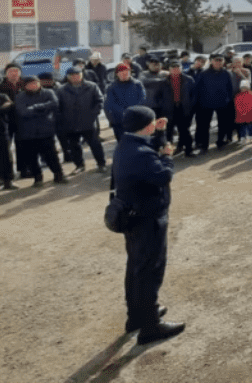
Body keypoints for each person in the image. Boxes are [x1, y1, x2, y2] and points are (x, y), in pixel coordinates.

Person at [113, 105, 184, 345]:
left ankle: (136, 316)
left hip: (133, 216)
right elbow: (163, 176)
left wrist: (161, 135)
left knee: (136, 266)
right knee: (150, 270)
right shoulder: (141, 154)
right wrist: (167, 158)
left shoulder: (127, 143)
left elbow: (151, 147)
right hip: (148, 217)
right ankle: (150, 325)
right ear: (147, 126)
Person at [14, 75, 65, 186]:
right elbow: (23, 112)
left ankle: (58, 174)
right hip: (28, 132)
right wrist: (43, 109)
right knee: (32, 157)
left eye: (35, 83)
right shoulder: (20, 97)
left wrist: (35, 107)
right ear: (25, 86)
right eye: (30, 84)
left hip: (46, 130)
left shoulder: (48, 93)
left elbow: (54, 104)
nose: (33, 86)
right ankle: (37, 178)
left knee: (51, 155)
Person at [56, 67, 107, 173]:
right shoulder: (61, 89)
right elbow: (58, 107)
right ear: (68, 77)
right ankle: (79, 165)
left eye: (78, 74)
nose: (75, 77)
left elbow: (100, 101)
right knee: (74, 146)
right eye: (72, 75)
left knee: (95, 144)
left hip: (88, 122)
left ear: (82, 75)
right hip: (70, 123)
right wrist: (63, 119)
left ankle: (101, 163)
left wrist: (93, 114)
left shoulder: (91, 86)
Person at [193, 54, 235, 152]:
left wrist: (228, 99)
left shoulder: (227, 73)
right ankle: (204, 145)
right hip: (206, 103)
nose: (218, 62)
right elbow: (197, 88)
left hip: (222, 103)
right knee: (204, 125)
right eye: (216, 60)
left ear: (223, 62)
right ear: (211, 61)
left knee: (223, 124)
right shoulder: (204, 73)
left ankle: (220, 142)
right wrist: (198, 102)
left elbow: (230, 88)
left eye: (220, 60)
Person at [105, 63, 146, 141]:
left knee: (137, 141)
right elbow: (111, 103)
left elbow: (142, 99)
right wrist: (124, 112)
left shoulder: (137, 84)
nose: (125, 75)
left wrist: (133, 111)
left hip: (136, 118)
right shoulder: (111, 87)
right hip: (120, 120)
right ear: (117, 74)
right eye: (122, 73)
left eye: (127, 72)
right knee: (123, 142)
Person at [164, 60, 197, 158]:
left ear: (181, 69)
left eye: (177, 68)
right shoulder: (164, 81)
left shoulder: (188, 79)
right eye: (173, 68)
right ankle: (167, 153)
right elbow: (159, 96)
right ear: (169, 70)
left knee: (185, 131)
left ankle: (188, 151)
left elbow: (194, 95)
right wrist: (163, 106)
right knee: (168, 133)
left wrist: (191, 106)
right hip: (170, 109)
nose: (175, 70)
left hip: (183, 108)